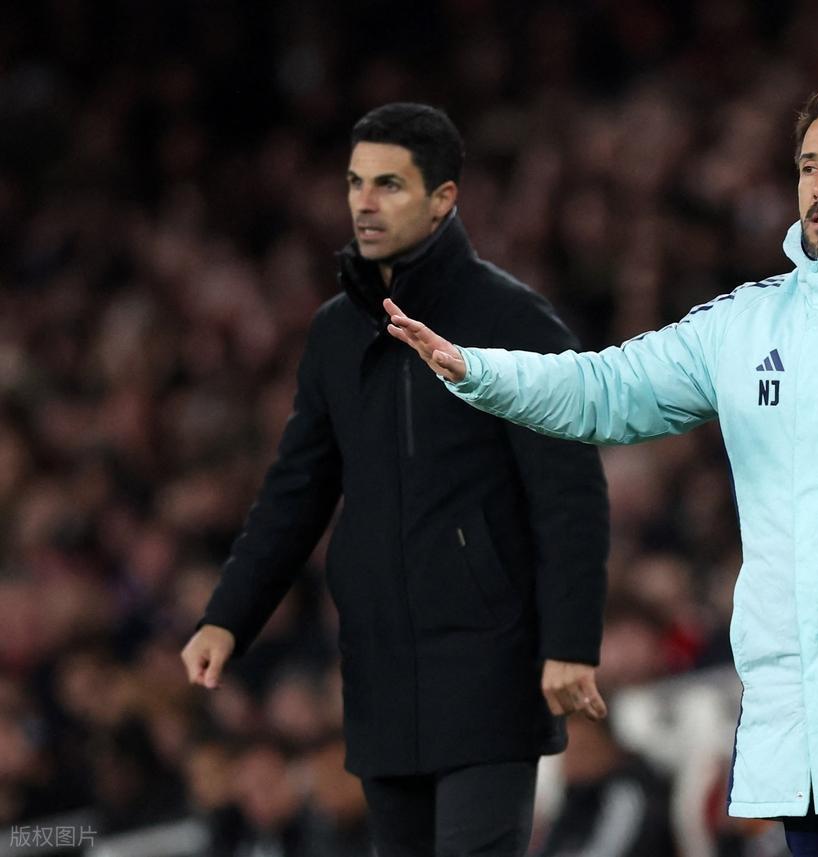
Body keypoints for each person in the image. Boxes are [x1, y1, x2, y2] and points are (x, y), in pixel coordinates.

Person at [387, 86, 818, 857]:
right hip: (803, 716)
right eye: (808, 166)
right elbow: (605, 388)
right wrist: (475, 369)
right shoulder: (744, 323)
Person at [180, 102, 611, 857]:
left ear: (443, 199)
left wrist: (570, 641)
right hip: (380, 671)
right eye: (355, 183)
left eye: (389, 184)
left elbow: (569, 491)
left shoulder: (511, 320)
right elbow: (296, 490)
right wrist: (229, 616)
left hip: (490, 665)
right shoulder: (335, 334)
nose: (365, 203)